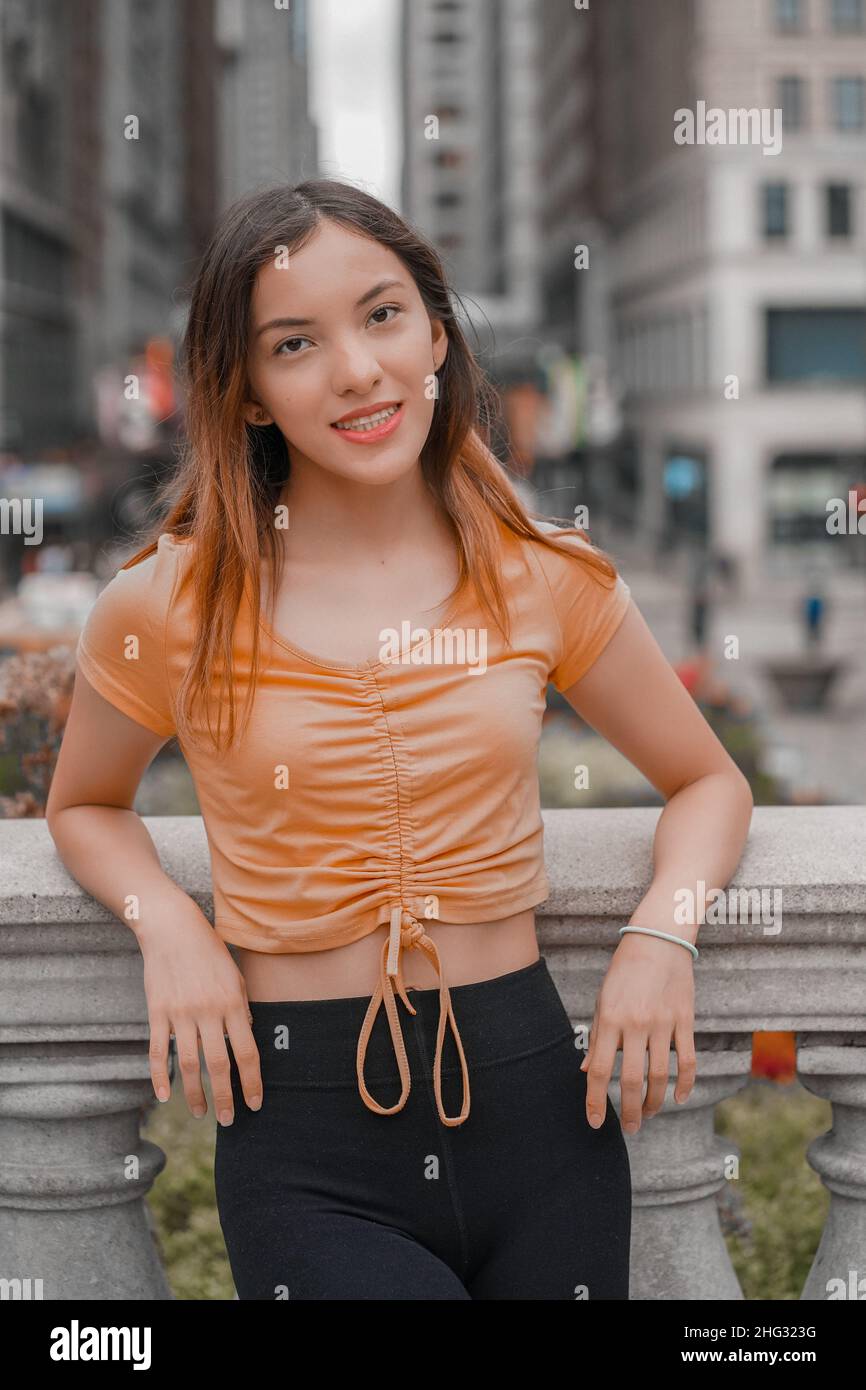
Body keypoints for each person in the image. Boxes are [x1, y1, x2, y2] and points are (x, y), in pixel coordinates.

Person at [46, 179, 753, 1301]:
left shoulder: (539, 573)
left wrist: (660, 938)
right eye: (295, 343)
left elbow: (705, 781)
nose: (357, 370)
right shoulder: (164, 602)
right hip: (306, 1140)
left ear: (434, 331)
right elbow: (84, 806)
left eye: (381, 315)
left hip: (539, 1110)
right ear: (250, 395)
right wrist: (169, 926)